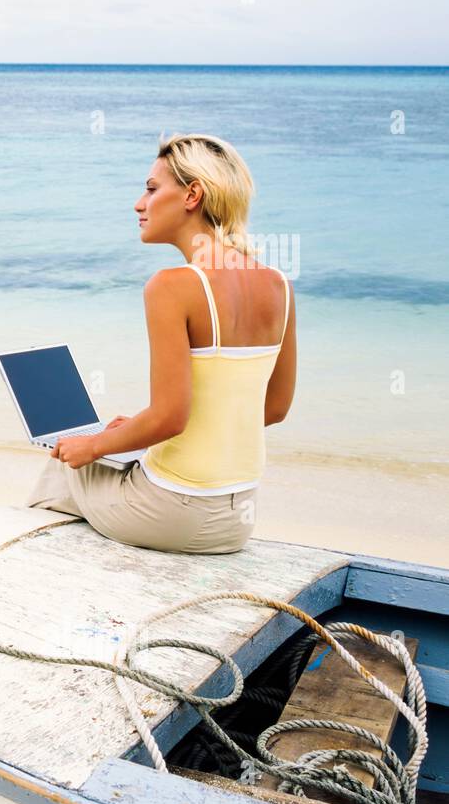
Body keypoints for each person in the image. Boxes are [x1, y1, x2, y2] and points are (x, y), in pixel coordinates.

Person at [24, 132, 296, 554]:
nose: (139, 203)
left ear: (192, 195)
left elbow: (171, 417)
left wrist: (92, 445)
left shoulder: (172, 286)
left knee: (65, 463)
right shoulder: (278, 284)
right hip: (235, 520)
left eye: (151, 189)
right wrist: (135, 429)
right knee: (102, 453)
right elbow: (274, 408)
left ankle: (42, 566)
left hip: (172, 514)